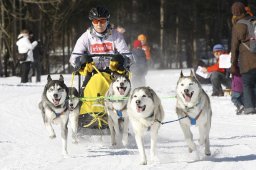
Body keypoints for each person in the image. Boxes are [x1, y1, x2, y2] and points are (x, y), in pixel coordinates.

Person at [69, 7, 131, 88]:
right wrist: (80, 62)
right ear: (92, 22)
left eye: (102, 21)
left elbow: (128, 55)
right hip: (92, 72)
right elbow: (73, 58)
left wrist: (123, 61)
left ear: (107, 21)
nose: (99, 24)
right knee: (84, 94)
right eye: (95, 21)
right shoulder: (85, 37)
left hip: (113, 72)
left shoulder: (116, 36)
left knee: (118, 59)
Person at [230, 2, 256, 115]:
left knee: (247, 84)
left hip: (247, 60)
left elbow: (234, 47)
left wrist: (233, 64)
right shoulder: (254, 21)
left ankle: (250, 108)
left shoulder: (238, 26)